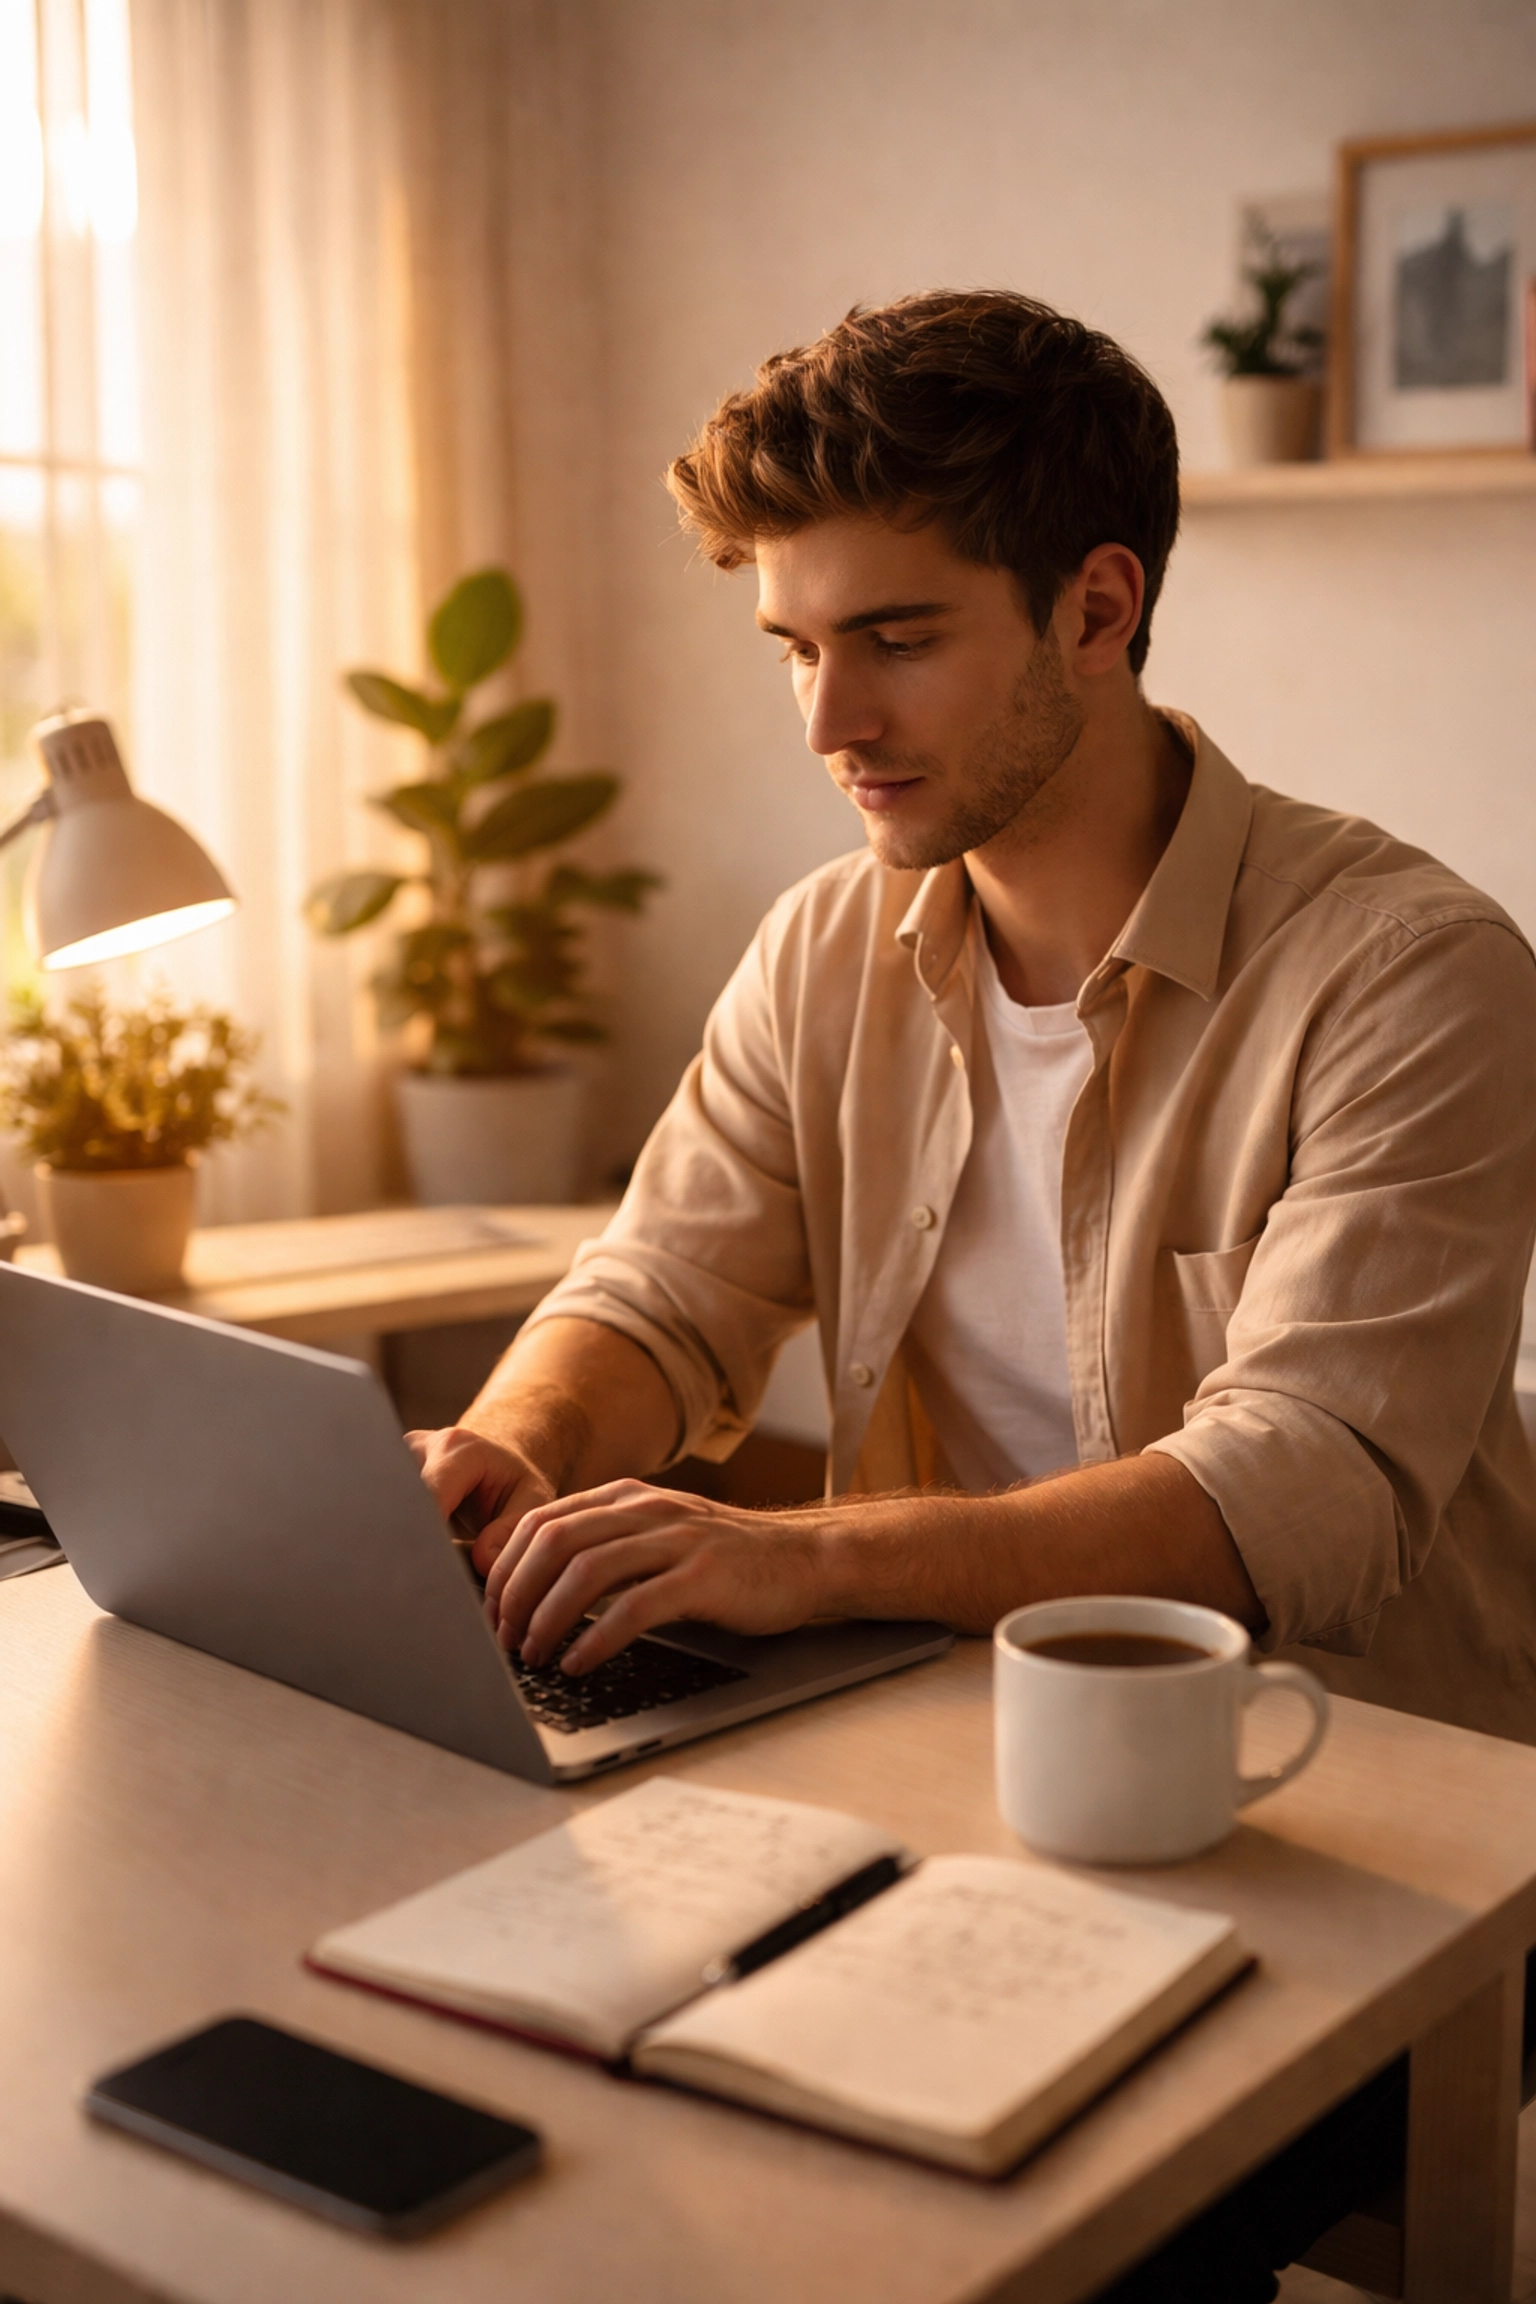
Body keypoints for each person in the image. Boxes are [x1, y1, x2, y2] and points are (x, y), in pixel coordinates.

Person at [409, 287, 1536, 2302]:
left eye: (896, 640)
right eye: (795, 649)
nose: (830, 722)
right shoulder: (826, 948)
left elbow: (1309, 1490)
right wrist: (509, 1443)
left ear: (1098, 607)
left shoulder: (1413, 975)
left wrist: (811, 1557)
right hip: (958, 1769)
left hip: (1356, 1814)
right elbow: (662, 1288)